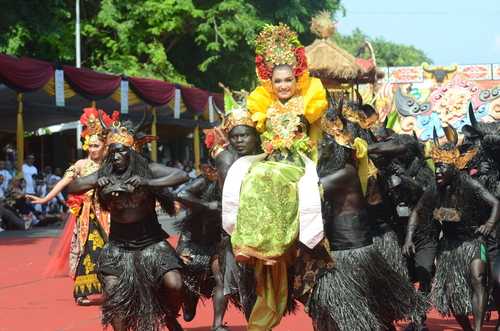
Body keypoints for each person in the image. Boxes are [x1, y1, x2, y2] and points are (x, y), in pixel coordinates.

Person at [222, 24, 327, 330]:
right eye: (278, 80)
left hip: (298, 159)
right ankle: (255, 246)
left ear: (298, 79)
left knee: (272, 176)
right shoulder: (262, 104)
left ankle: (279, 244)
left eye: (288, 80)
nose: (283, 85)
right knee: (250, 174)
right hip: (271, 158)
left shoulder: (309, 101)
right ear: (271, 81)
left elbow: (316, 137)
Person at [67, 113, 188, 331]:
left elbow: (181, 175)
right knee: (114, 295)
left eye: (121, 151)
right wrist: (96, 183)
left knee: (175, 284)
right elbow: (73, 187)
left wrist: (148, 182)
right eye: (112, 152)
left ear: (132, 151)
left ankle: (169, 315)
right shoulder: (105, 173)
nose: (116, 156)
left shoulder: (146, 169)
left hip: (152, 244)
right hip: (119, 248)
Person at [308, 108, 426, 331]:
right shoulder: (340, 169)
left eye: (327, 145)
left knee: (363, 312)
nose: (321, 149)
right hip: (347, 251)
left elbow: (310, 189)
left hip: (354, 252)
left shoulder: (345, 173)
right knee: (358, 312)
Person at [403, 126, 500, 331]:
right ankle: (467, 327)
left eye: (443, 167)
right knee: (452, 293)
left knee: (478, 277)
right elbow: (417, 212)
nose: (438, 171)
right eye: (436, 166)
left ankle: (477, 329)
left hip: (473, 242)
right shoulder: (433, 188)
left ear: (454, 168)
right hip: (448, 247)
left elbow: (496, 204)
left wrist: (489, 224)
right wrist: (408, 238)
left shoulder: (468, 182)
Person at [27, 107, 116, 306]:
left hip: (108, 214)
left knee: (110, 250)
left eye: (96, 145)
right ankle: (82, 292)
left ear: (105, 146)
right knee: (86, 250)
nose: (92, 149)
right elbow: (63, 182)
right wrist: (44, 199)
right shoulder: (81, 165)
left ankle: (111, 288)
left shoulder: (110, 166)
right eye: (90, 145)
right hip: (86, 215)